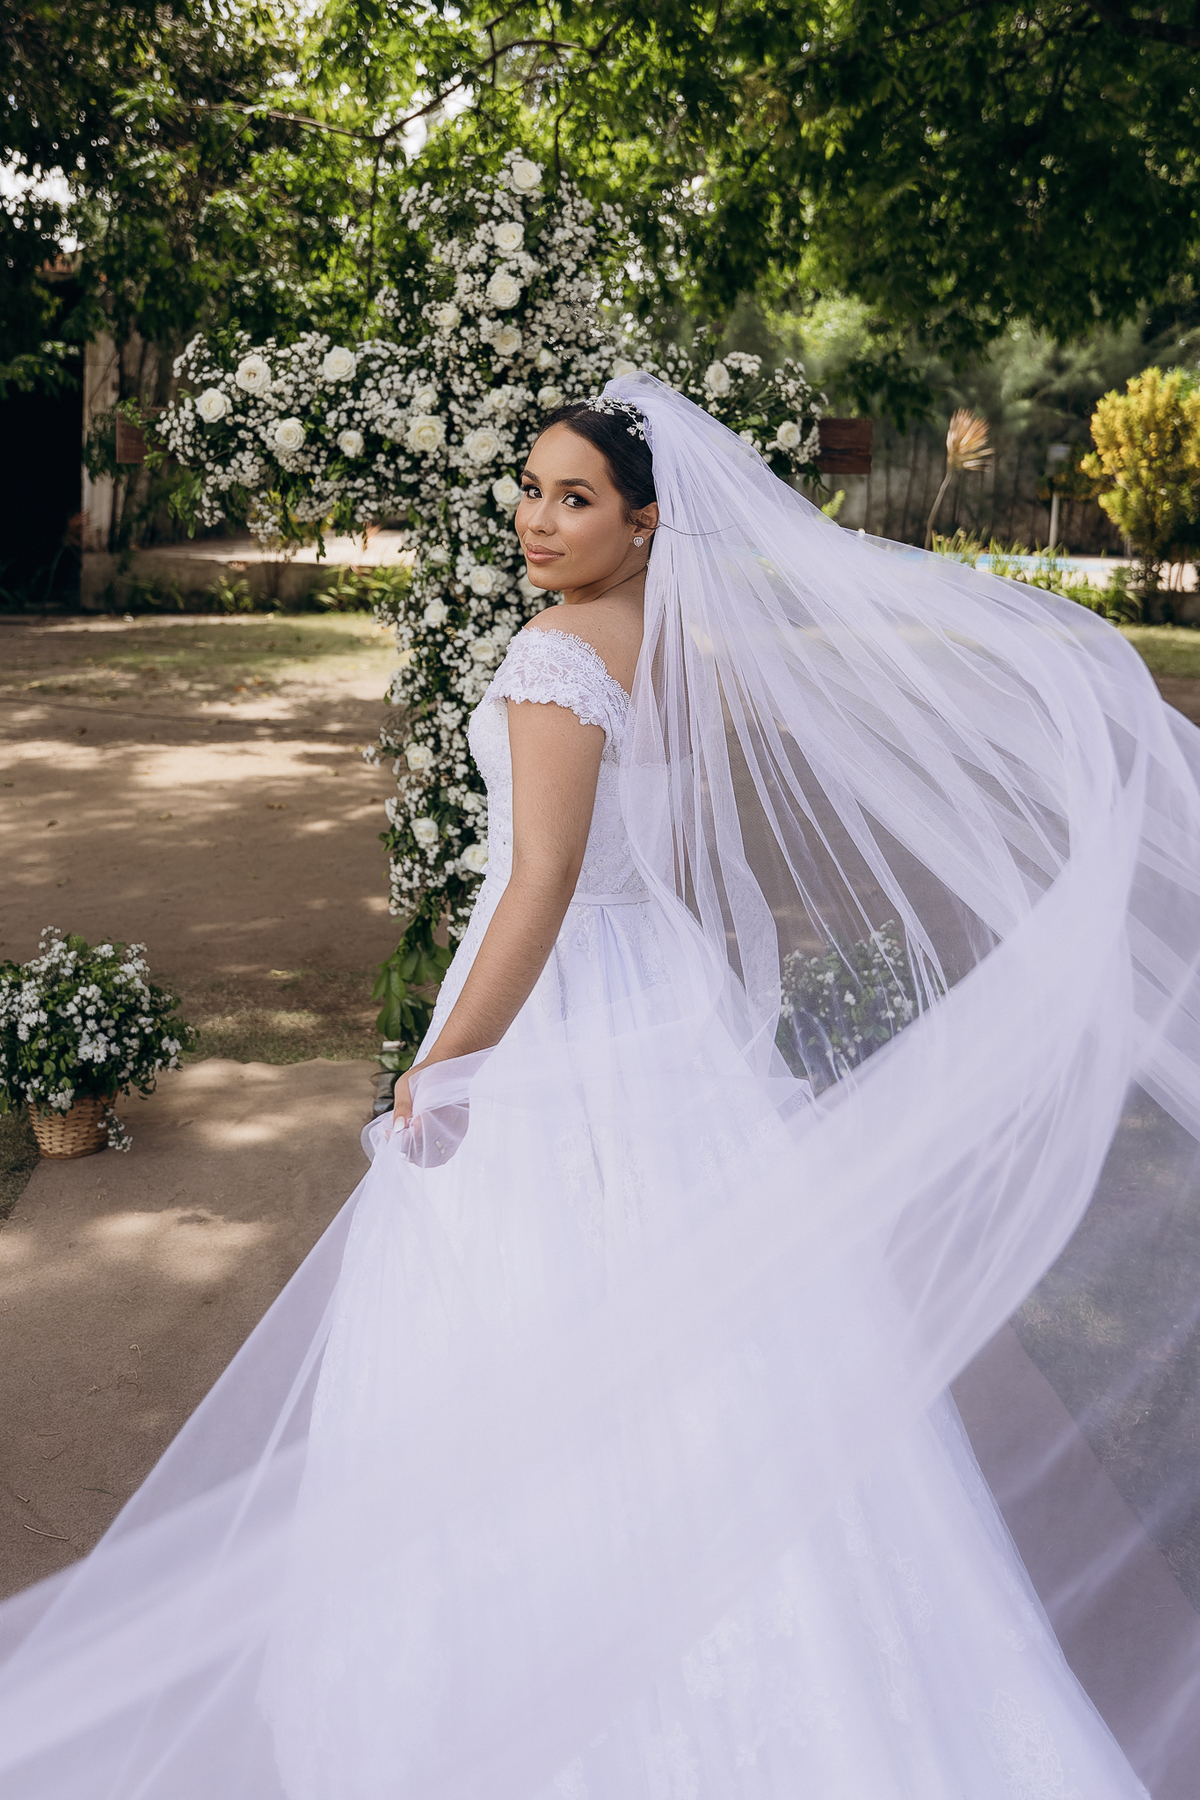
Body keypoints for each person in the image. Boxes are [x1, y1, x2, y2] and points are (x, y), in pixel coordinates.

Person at [2, 376, 1200, 1799]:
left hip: (561, 1013)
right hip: (662, 1003)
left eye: (576, 498)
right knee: (720, 1343)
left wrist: (449, 1064)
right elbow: (661, 862)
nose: (538, 519)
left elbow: (544, 883)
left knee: (526, 1334)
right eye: (531, 489)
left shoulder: (557, 653)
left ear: (644, 523)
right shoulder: (680, 651)